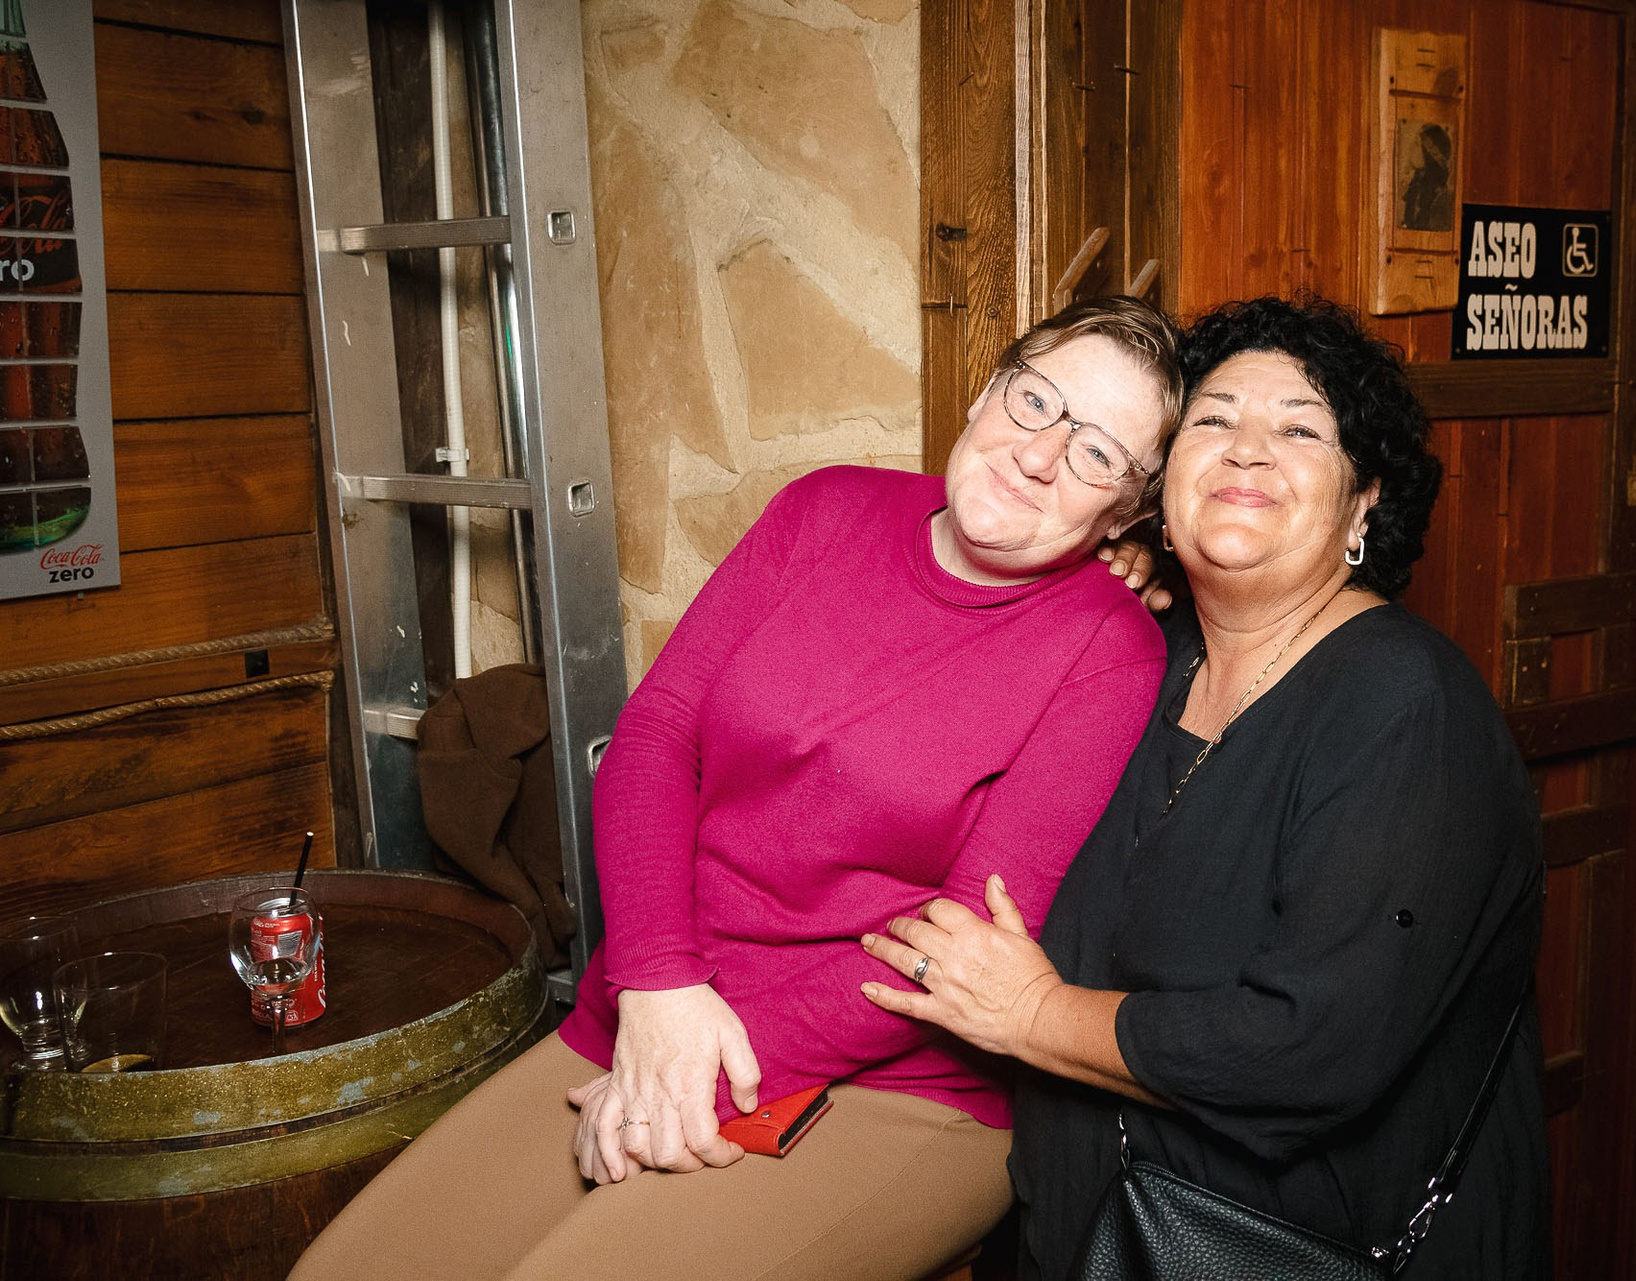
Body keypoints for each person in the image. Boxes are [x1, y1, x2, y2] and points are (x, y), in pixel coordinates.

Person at [292, 295, 1184, 1281]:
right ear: (986, 392)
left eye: (1097, 454)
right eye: (1035, 400)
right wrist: (657, 989)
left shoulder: (1109, 652)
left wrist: (692, 1077)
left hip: (898, 1077)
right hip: (662, 1004)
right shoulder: (824, 510)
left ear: (1126, 512)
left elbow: (961, 941)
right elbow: (656, 737)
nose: (1040, 454)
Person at [861, 295, 1551, 1279]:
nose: (1246, 451)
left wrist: (1035, 1016)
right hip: (1077, 1230)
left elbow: (1312, 1049)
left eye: (1300, 430)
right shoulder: (1141, 658)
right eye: (1214, 420)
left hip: (1286, 1250)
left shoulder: (1409, 707)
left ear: (1364, 504)